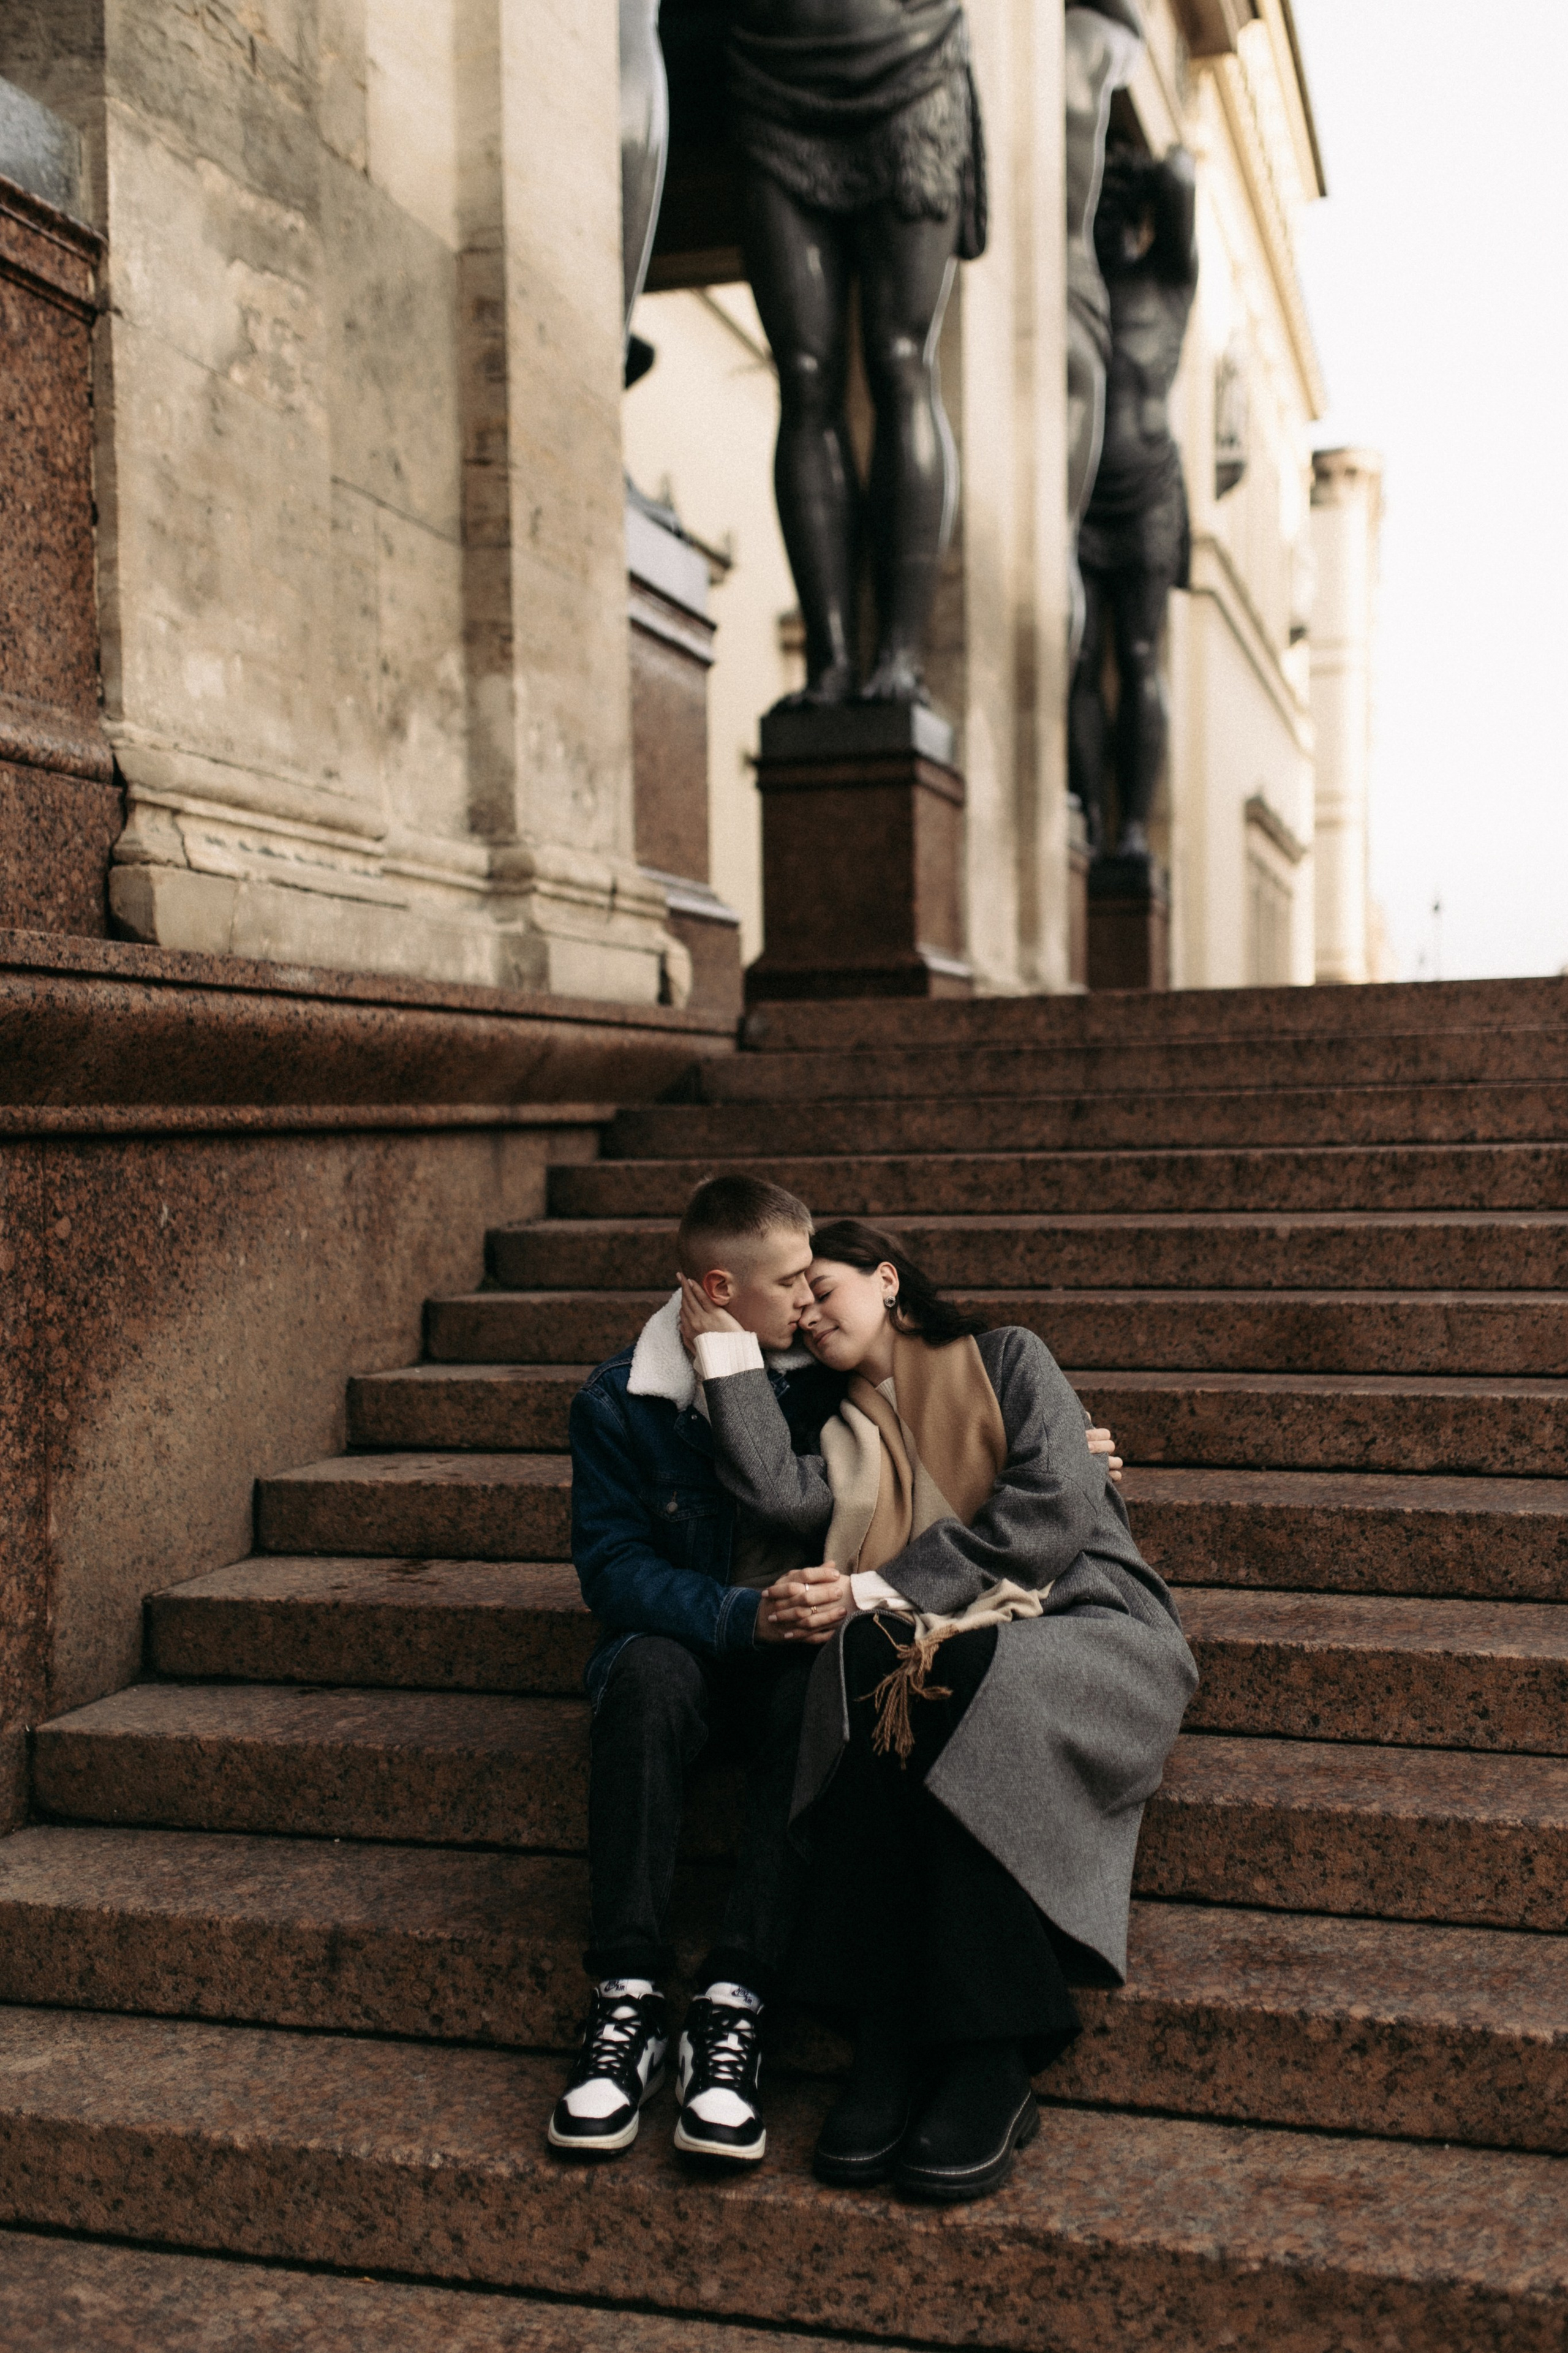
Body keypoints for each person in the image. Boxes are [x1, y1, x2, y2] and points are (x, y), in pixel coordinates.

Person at [682, 1218, 1196, 2204]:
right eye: (792, 1302)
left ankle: (982, 2053)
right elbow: (779, 1497)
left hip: (1084, 1621)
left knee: (937, 1674)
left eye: (822, 1287)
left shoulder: (1008, 1356)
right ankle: (897, 2042)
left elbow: (1051, 1506)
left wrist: (881, 1589)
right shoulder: (837, 1428)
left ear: (887, 1278)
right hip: (950, 1640)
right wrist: (722, 1346)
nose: (806, 1310)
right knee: (874, 1678)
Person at [729, 0, 987, 705]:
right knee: (805, 375)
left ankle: (901, 654)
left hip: (910, 65)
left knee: (901, 359)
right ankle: (831, 658)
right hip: (771, 69)